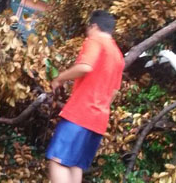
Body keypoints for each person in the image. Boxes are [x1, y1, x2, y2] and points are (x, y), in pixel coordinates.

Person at [46, 10, 125, 183]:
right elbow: (113, 92)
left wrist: (59, 79)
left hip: (80, 114)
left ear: (94, 26)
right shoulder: (118, 55)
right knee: (75, 165)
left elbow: (85, 67)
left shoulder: (95, 40)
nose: (86, 33)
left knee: (57, 160)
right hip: (98, 120)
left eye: (88, 28)